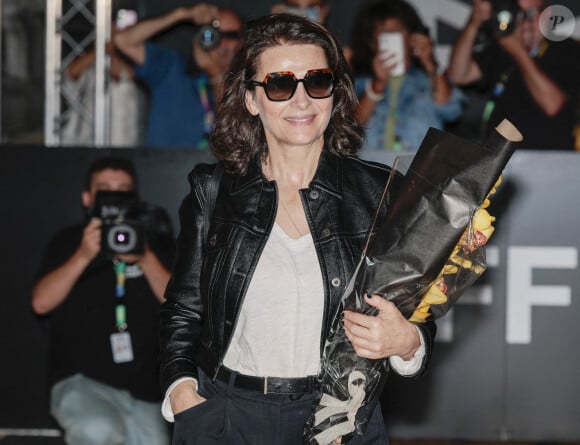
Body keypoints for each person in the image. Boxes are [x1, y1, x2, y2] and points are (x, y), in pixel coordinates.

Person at [159, 13, 436, 445]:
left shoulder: (381, 192)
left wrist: (408, 342)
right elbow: (183, 309)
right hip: (227, 413)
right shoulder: (213, 190)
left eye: (317, 81)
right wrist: (181, 390)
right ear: (252, 99)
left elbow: (417, 308)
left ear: (335, 92)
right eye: (280, 85)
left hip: (341, 415)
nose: (302, 100)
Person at [31, 157, 174, 445]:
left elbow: (179, 304)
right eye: (105, 189)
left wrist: (144, 257)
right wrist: (83, 255)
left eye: (123, 190)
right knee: (97, 430)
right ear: (88, 198)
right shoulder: (70, 241)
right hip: (82, 381)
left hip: (145, 390)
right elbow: (40, 303)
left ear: (134, 198)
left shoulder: (154, 242)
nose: (115, 197)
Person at [447, 0, 580, 150]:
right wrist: (474, 23)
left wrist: (518, 51)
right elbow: (458, 75)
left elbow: (553, 105)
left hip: (549, 159)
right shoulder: (502, 50)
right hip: (499, 159)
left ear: (546, 16)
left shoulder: (567, 50)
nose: (524, 21)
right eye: (517, 13)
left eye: (530, 14)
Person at [114, 3, 243, 149]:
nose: (222, 42)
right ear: (201, 36)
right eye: (214, 34)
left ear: (242, 42)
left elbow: (235, 129)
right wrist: (182, 15)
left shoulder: (246, 82)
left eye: (231, 35)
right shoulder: (172, 67)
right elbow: (123, 41)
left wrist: (214, 73)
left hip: (215, 169)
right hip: (164, 167)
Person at [350, 0, 464, 152]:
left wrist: (431, 64)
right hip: (372, 170)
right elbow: (350, 129)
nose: (391, 35)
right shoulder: (358, 85)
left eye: (397, 30)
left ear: (411, 37)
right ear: (372, 42)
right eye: (383, 32)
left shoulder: (428, 82)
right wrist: (377, 85)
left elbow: (451, 109)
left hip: (420, 170)